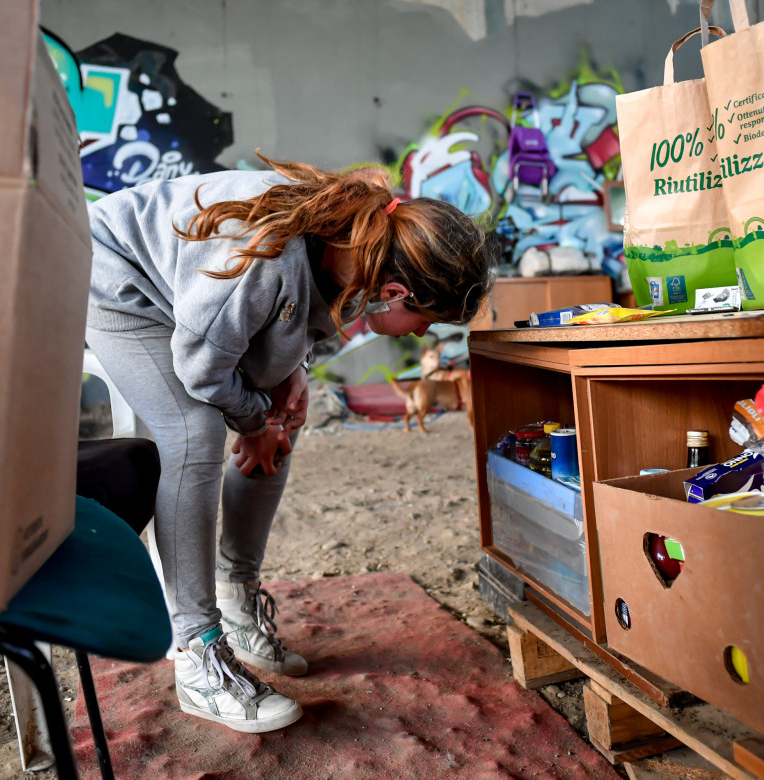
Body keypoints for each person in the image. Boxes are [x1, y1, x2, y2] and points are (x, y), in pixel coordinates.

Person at [84, 153, 499, 733]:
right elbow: (202, 368)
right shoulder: (264, 259)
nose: (425, 335)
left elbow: (296, 320)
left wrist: (288, 384)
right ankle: (197, 652)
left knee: (287, 411)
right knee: (195, 433)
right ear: (397, 292)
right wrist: (254, 425)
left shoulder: (366, 247)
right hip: (121, 281)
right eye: (427, 320)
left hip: (202, 306)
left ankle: (235, 590)